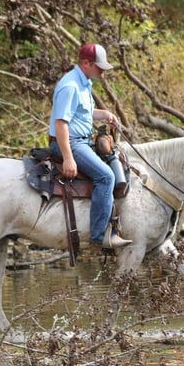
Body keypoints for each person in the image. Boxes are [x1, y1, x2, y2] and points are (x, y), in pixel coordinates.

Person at [48, 43, 132, 249]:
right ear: (86, 63)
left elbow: (83, 114)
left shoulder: (84, 83)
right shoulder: (70, 86)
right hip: (69, 143)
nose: (102, 70)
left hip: (81, 141)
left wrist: (105, 115)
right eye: (99, 66)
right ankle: (100, 234)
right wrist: (68, 157)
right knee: (106, 176)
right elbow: (61, 123)